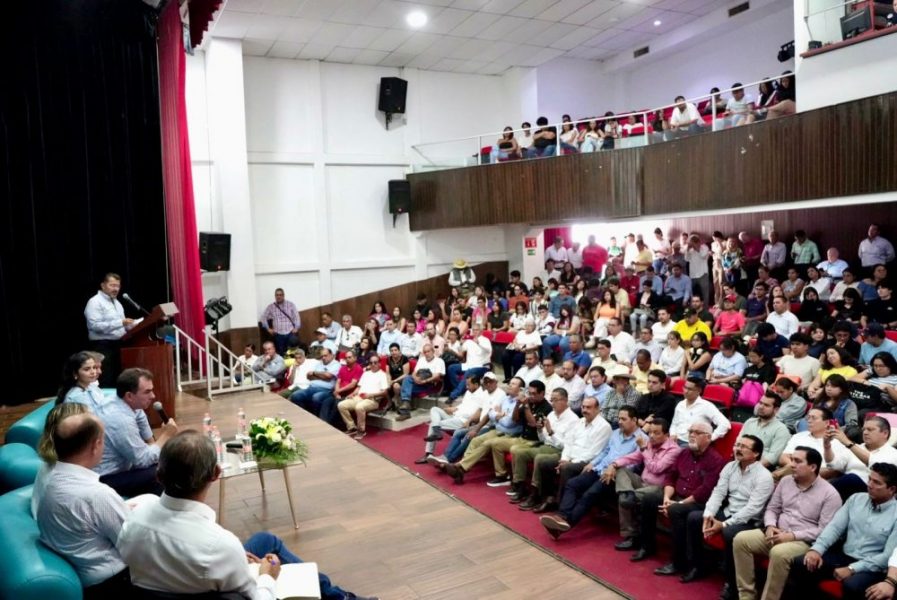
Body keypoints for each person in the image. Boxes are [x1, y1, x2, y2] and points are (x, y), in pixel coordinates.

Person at [117, 430, 376, 600]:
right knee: (272, 558)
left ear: (158, 475)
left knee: (265, 540)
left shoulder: (132, 520)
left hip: (171, 584)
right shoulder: (219, 544)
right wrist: (266, 576)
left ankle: (339, 596)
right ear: (216, 474)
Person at [35, 411, 134, 597]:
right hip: (114, 582)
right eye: (103, 440)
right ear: (96, 446)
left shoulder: (49, 478)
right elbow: (132, 545)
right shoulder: (97, 495)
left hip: (84, 570)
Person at [731, 446, 842, 600]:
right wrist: (770, 525)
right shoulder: (785, 481)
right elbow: (772, 508)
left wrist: (791, 536)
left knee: (779, 553)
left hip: (803, 541)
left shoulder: (830, 494)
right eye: (792, 460)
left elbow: (824, 530)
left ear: (812, 467)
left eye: (797, 461)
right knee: (741, 539)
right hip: (776, 532)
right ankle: (746, 596)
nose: (791, 465)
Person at [789, 463, 897, 600]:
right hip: (844, 555)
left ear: (892, 489)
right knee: (802, 562)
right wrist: (816, 549)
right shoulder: (856, 499)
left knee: (852, 585)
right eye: (869, 479)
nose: (869, 485)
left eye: (877, 483)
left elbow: (887, 556)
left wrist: (853, 569)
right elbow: (834, 528)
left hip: (872, 566)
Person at [539, 405, 644, 538]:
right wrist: (592, 463)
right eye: (619, 418)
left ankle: (566, 524)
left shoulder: (642, 439)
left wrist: (615, 469)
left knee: (590, 493)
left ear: (634, 420)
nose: (619, 422)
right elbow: (605, 452)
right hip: (600, 468)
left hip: (615, 476)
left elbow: (635, 465)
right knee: (572, 484)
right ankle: (562, 516)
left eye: (624, 419)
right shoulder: (616, 433)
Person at [70, 367, 178, 497]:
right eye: (147, 392)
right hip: (106, 477)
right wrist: (166, 435)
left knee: (166, 458)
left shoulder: (118, 400)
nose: (153, 396)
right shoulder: (120, 419)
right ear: (129, 396)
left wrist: (152, 442)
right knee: (162, 472)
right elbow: (142, 460)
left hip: (123, 466)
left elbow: (140, 416)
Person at [689, 435, 774, 591]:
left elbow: (753, 508)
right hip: (728, 511)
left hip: (749, 520)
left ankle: (731, 583)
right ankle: (699, 566)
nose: (738, 449)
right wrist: (709, 514)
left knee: (729, 532)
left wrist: (723, 524)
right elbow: (718, 492)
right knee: (695, 518)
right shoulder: (730, 467)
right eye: (737, 445)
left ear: (756, 453)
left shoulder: (764, 476)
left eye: (743, 447)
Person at [646, 422, 726, 571]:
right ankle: (647, 547)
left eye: (697, 432)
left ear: (708, 438)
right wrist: (667, 498)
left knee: (676, 510)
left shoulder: (716, 460)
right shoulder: (683, 453)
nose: (692, 435)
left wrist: (679, 504)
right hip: (676, 495)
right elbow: (671, 476)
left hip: (697, 502)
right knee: (649, 499)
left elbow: (705, 491)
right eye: (690, 432)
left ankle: (677, 562)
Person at [507, 385, 580, 509]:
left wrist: (550, 432)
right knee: (519, 452)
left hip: (560, 451)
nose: (552, 403)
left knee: (540, 458)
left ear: (565, 400)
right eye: (551, 400)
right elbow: (543, 439)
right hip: (546, 445)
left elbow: (566, 445)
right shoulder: (551, 414)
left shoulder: (573, 420)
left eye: (555, 400)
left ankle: (535, 493)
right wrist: (540, 430)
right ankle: (520, 486)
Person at [415, 373, 487, 464]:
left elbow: (476, 414)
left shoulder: (483, 395)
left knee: (433, 424)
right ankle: (436, 431)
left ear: (476, 384)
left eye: (468, 385)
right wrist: (452, 409)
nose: (466, 387)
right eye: (466, 384)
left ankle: (428, 453)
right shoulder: (468, 392)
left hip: (463, 421)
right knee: (434, 409)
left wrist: (466, 418)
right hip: (455, 416)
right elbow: (462, 406)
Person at [825, 416, 897, 500]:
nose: (865, 433)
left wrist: (847, 442)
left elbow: (875, 466)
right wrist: (827, 446)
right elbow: (833, 465)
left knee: (851, 479)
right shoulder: (855, 448)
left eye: (870, 430)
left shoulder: (893, 453)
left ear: (885, 433)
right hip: (845, 491)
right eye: (864, 429)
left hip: (872, 494)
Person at [84, 272, 135, 385]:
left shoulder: (117, 303)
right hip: (103, 346)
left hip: (119, 345)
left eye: (118, 286)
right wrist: (121, 322)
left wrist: (135, 325)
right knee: (106, 379)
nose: (116, 289)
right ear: (103, 285)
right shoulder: (94, 302)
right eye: (112, 285)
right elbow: (95, 326)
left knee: (119, 379)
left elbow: (122, 325)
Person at [337, 354, 388, 440]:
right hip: (359, 397)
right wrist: (352, 394)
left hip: (372, 400)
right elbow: (358, 387)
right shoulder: (366, 373)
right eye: (371, 363)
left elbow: (385, 392)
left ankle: (361, 430)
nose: (373, 364)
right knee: (341, 405)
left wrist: (370, 395)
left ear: (379, 364)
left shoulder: (382, 375)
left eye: (375, 362)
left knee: (359, 407)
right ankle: (351, 427)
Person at [670, 376, 731, 445]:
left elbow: (725, 424)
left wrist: (710, 438)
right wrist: (672, 434)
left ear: (699, 391)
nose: (686, 391)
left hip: (691, 444)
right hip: (675, 441)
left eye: (690, 389)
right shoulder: (680, 404)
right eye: (685, 387)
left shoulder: (706, 406)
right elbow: (674, 423)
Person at [741, 390, 792, 469]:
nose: (761, 407)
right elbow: (738, 443)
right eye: (760, 403)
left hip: (762, 469)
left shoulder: (781, 430)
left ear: (776, 409)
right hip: (741, 462)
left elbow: (773, 457)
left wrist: (750, 468)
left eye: (766, 405)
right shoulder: (749, 422)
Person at [396, 343, 444, 421]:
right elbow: (414, 373)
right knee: (407, 379)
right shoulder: (421, 360)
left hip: (430, 384)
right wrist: (415, 379)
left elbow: (437, 376)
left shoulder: (439, 361)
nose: (426, 354)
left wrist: (425, 381)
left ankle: (405, 411)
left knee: (405, 388)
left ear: (433, 351)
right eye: (425, 352)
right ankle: (406, 407)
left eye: (428, 351)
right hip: (418, 381)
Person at [289, 348, 342, 415]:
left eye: (325, 355)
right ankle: (304, 414)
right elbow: (309, 376)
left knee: (316, 397)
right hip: (311, 387)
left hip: (326, 390)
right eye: (322, 356)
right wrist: (322, 375)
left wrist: (315, 373)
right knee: (296, 395)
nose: (323, 358)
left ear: (331, 355)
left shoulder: (336, 364)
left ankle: (315, 417)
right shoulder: (319, 363)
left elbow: (328, 376)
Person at [261, 288, 300, 356]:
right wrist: (268, 329)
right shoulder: (271, 307)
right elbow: (263, 318)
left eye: (280, 295)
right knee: (281, 353)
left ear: (283, 295)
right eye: (277, 295)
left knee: (292, 353)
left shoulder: (290, 304)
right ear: (275, 296)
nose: (278, 296)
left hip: (290, 333)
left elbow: (296, 317)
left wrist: (296, 327)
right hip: (278, 334)